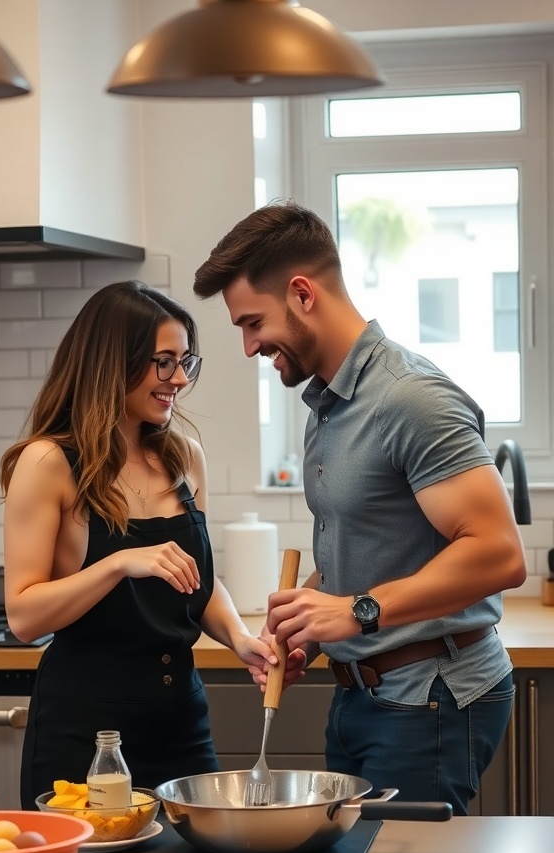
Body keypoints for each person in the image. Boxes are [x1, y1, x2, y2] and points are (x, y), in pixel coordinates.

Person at [193, 200, 527, 815]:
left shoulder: (411, 398)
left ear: (301, 293)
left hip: (430, 698)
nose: (247, 347)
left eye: (251, 322)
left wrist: (357, 611)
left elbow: (499, 555)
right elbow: (371, 547)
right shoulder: (326, 405)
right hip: (359, 695)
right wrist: (306, 627)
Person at [1, 280, 277, 809]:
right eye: (164, 363)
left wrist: (240, 638)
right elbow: (24, 614)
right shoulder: (48, 463)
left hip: (182, 725)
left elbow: (195, 574)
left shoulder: (183, 457)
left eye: (185, 363)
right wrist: (119, 563)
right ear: (113, 362)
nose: (179, 380)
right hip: (87, 737)